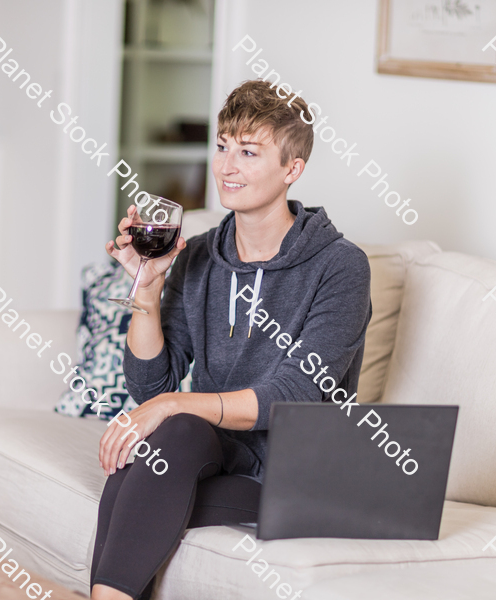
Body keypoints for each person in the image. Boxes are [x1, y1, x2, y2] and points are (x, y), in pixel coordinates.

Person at [90, 79, 372, 600]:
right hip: (217, 455)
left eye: (248, 152)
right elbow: (151, 385)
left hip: (297, 476)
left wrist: (174, 404)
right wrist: (146, 290)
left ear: (292, 169)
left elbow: (293, 394)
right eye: (222, 147)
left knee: (142, 467)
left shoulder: (341, 267)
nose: (225, 167)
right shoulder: (198, 256)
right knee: (164, 443)